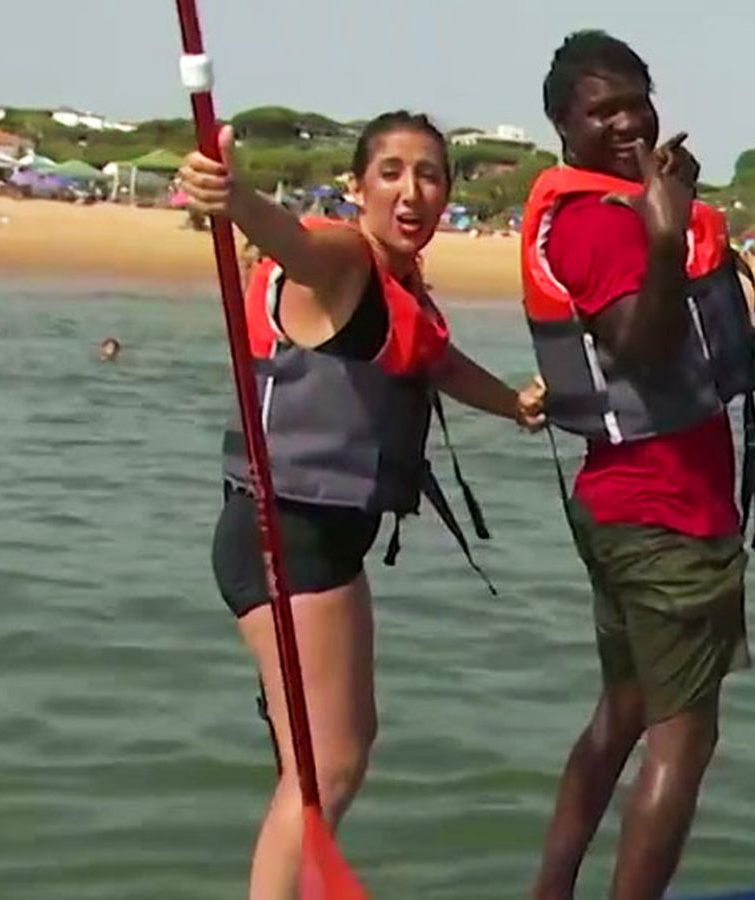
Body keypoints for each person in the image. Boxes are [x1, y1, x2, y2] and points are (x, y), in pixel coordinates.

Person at [179, 111, 546, 900]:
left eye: (430, 175)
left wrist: (514, 403)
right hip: (287, 534)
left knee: (332, 754)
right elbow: (297, 245)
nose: (412, 191)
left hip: (321, 541)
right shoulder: (343, 258)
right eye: (391, 172)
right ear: (356, 187)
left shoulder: (397, 286)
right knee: (326, 767)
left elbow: (436, 362)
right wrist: (234, 194)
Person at [521, 31, 755, 900]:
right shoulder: (599, 225)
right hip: (664, 518)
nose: (627, 121)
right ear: (562, 123)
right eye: (603, 110)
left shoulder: (618, 206)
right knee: (684, 739)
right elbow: (638, 346)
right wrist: (665, 235)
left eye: (637, 100)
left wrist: (667, 201)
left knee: (624, 712)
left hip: (621, 507)